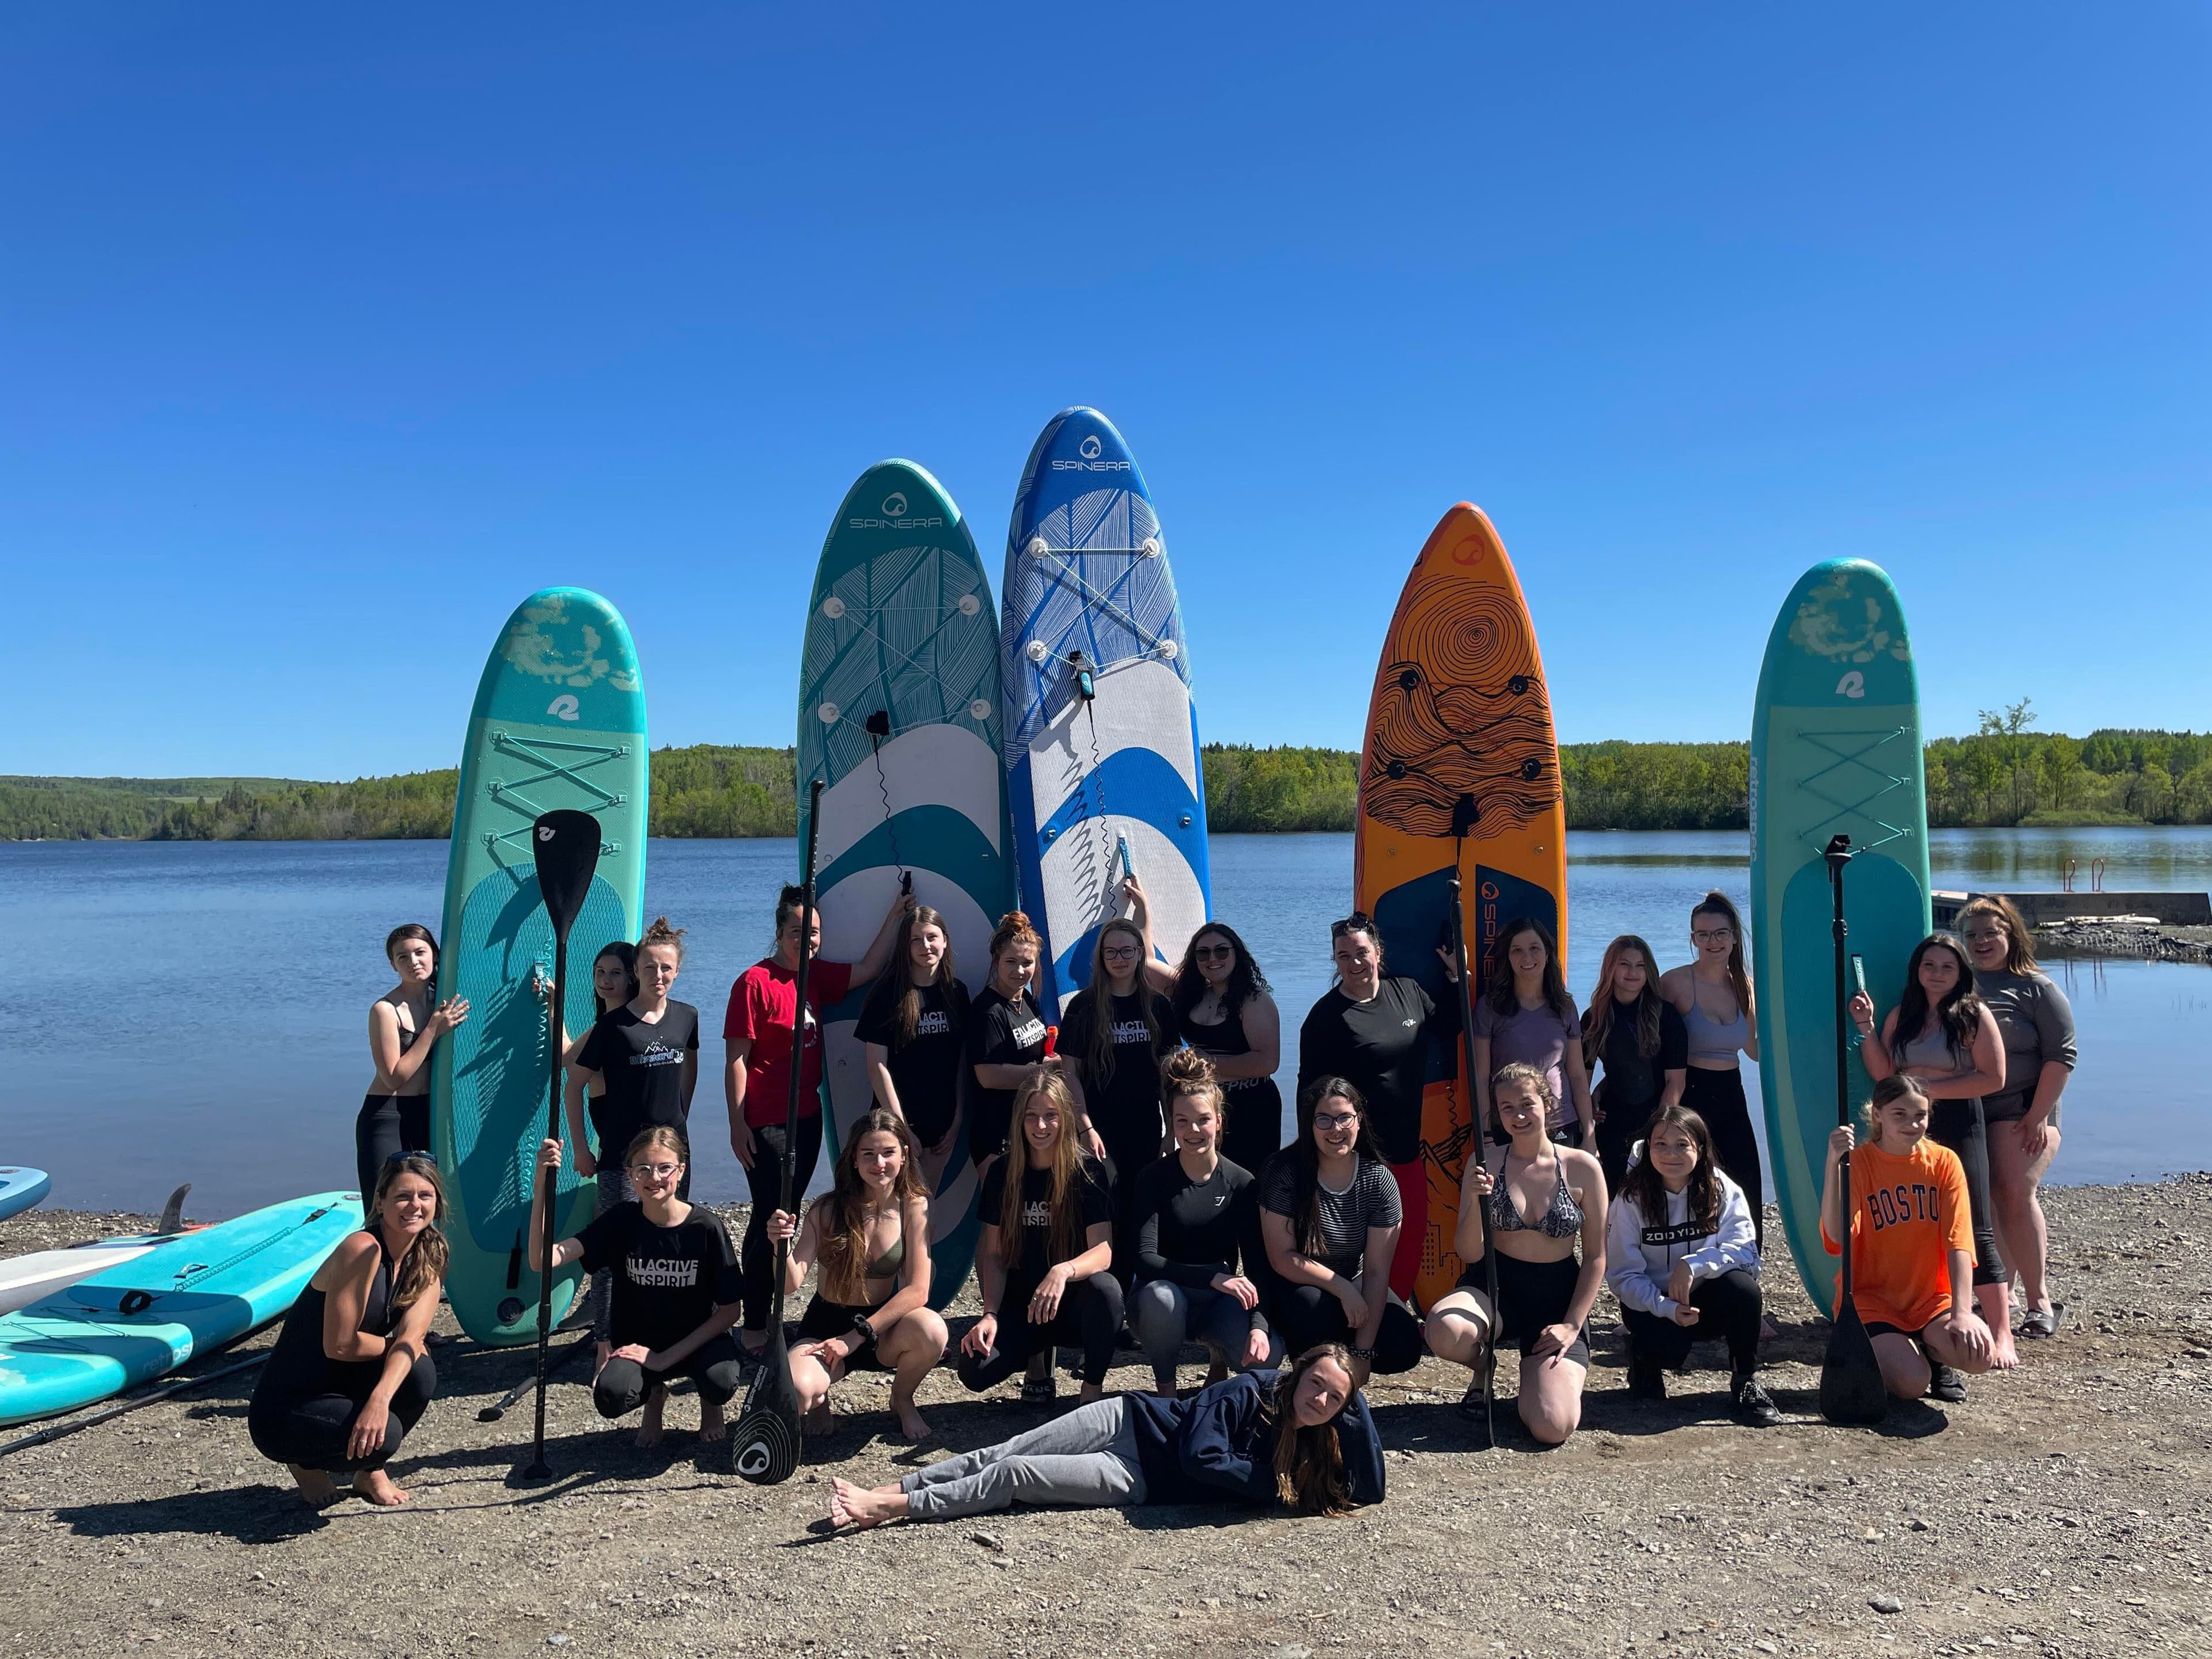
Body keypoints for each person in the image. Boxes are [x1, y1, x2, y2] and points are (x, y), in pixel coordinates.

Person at [827, 1343, 1383, 1528]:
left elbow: (1373, 1487)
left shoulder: (1323, 1434)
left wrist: (1354, 1402)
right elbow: (1199, 1455)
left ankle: (896, 1506)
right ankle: (905, 1487)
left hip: (1135, 1479)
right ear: (1298, 1374)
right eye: (1316, 1384)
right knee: (1006, 1450)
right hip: (1128, 1420)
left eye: (1334, 1399)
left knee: (1017, 1475)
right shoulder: (1247, 1393)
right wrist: (1270, 1487)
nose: (1319, 1400)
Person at [724, 884, 905, 1355]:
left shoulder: (816, 977)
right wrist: (737, 1124)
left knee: (789, 1210)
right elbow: (737, 1060)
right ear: (780, 932)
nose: (807, 941)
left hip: (807, 1115)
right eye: (797, 932)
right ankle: (756, 1325)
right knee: (770, 1217)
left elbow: (868, 967)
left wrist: (896, 913)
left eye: (815, 933)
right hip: (765, 1121)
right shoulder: (754, 982)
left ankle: (774, 1316)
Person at [1851, 930, 2017, 1374]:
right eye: (1930, 965)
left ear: (1961, 971)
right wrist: (1867, 1028)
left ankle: (2002, 1331)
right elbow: (1885, 1073)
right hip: (1907, 1125)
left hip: (1960, 1122)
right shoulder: (1902, 1015)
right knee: (1923, 1223)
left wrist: (1929, 1092)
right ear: (1917, 971)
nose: (1938, 973)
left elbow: (1993, 1077)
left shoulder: (1973, 1014)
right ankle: (1929, 1327)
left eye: (1947, 966)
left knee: (1974, 1226)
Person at [1423, 1064, 1607, 1444]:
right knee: (1443, 1330)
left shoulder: (1582, 1167)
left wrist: (1573, 1325)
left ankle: (1535, 1380)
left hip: (1556, 1297)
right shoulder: (1485, 1163)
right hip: (1495, 1286)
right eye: (1507, 1108)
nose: (1518, 1115)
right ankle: (1483, 1366)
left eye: (1527, 1104)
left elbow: (1595, 1258)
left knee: (1552, 1426)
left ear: (1548, 1103)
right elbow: (1469, 1251)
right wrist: (1474, 1200)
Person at [249, 1154, 445, 1508]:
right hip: (289, 1405)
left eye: (424, 1196)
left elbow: (413, 1338)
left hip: (343, 1388)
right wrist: (396, 1347)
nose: (414, 1205)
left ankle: (369, 1471)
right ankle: (305, 1464)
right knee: (389, 1431)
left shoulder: (430, 1253)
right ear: (381, 1201)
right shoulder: (362, 1249)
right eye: (403, 1196)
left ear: (437, 1202)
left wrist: (380, 1399)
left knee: (420, 1371)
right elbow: (340, 1345)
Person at [529, 1127, 745, 1446]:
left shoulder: (706, 1227)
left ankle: (710, 1405)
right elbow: (542, 1259)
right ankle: (655, 1396)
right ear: (629, 1175)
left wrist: (665, 1358)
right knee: (611, 1396)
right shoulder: (621, 1220)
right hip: (639, 1345)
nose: (653, 1177)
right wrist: (541, 1184)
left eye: (664, 1167)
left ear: (681, 1170)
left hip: (697, 1343)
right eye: (642, 1169)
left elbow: (730, 1312)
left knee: (721, 1381)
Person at [1294, 912, 1460, 1298]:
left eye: (1361, 952)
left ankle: (1394, 1314)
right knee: (1364, 1244)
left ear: (1378, 951)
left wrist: (1455, 977)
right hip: (1357, 1156)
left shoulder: (1408, 991)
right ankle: (1357, 1314)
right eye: (1343, 956)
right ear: (1335, 961)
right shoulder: (1325, 1018)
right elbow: (1309, 1093)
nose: (1354, 963)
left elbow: (1449, 1025)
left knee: (1410, 1235)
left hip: (1406, 1147)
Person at [765, 1108, 949, 1441]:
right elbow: (791, 1284)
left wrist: (855, 1337)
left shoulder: (914, 1206)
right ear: (853, 1160)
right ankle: (820, 1401)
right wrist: (780, 1245)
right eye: (868, 1154)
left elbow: (919, 1291)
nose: (879, 1163)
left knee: (933, 1330)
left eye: (888, 1153)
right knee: (797, 1393)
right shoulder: (826, 1209)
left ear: (904, 1156)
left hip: (880, 1325)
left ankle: (902, 1399)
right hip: (825, 1325)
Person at [1820, 1075, 1997, 1403]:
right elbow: (1835, 1237)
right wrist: (1834, 1165)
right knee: (1912, 1385)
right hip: (1872, 1301)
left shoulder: (1945, 1163)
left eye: (1920, 1115)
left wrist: (1962, 1312)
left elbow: (1959, 1242)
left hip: (1930, 1299)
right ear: (1877, 1114)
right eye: (1899, 1114)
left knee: (1979, 1355)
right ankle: (1900, 1356)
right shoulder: (1859, 1163)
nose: (1912, 1123)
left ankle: (1935, 1353)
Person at [1605, 1104, 1780, 1426]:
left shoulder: (1722, 1189)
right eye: (1661, 1144)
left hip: (1704, 1300)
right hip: (1651, 1304)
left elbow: (1747, 1254)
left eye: (1682, 1145)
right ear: (1648, 1149)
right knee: (1668, 1350)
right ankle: (1644, 1358)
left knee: (1745, 1291)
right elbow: (1621, 1275)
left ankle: (1746, 1380)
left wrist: (1695, 1265)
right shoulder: (1630, 1199)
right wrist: (1664, 1307)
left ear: (1700, 1149)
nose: (1671, 1153)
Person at [959, 1069, 1125, 1404]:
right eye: (1032, 1117)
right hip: (1023, 1303)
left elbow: (1103, 1252)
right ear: (1019, 1120)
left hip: (1070, 1302)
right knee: (973, 1369)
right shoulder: (1002, 1172)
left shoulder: (1088, 1171)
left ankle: (1091, 1388)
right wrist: (990, 1313)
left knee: (1107, 1292)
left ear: (1064, 1118)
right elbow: (993, 1252)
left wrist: (1062, 1271)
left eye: (1051, 1116)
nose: (1041, 1126)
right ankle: (1035, 1355)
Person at [1959, 895, 2076, 1339]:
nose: (1982, 942)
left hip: (2025, 1108)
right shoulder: (1958, 983)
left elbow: (2061, 1057)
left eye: (1992, 933)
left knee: (2013, 1190)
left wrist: (2038, 1116)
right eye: (1972, 936)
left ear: (2011, 935)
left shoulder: (2037, 988)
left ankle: (2040, 1301)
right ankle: (1999, 1296)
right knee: (1982, 1201)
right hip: (1968, 1110)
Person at [1255, 1077, 1425, 1380]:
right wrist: (1342, 1288)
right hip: (1297, 1285)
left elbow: (1376, 1271)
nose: (1336, 1129)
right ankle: (1310, 1374)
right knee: (1308, 1308)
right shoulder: (1283, 1172)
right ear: (1309, 1124)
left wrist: (1363, 1352)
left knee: (1404, 1341)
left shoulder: (1378, 1179)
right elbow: (1282, 1258)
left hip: (1356, 1281)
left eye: (1344, 1118)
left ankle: (1344, 1366)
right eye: (1324, 1120)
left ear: (1359, 1121)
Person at [1129, 1050, 1277, 1396]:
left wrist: (1258, 1326)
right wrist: (1215, 1277)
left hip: (1216, 1298)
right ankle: (1166, 1391)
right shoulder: (1153, 1179)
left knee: (1269, 1359)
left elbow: (1258, 1266)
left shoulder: (1241, 1182)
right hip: (1161, 1295)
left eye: (1203, 1120)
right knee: (1161, 1301)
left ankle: (1218, 1358)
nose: (1193, 1130)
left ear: (1219, 1121)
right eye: (1182, 1122)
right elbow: (1145, 1260)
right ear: (1172, 1123)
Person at [1054, 916, 1181, 1277]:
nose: (1120, 958)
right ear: (1101, 958)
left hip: (1144, 1127)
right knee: (1103, 1206)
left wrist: (1171, 1130)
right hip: (1098, 1128)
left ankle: (1136, 1291)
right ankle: (1104, 1290)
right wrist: (1084, 1127)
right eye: (1111, 952)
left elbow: (1168, 1077)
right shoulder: (1084, 1007)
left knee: (1140, 1206)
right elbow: (1070, 1074)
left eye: (1127, 950)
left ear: (1141, 953)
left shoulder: (1157, 1007)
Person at [1657, 892, 1766, 1253]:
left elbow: (1754, 1051)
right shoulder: (1674, 983)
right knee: (1694, 1184)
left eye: (1720, 934)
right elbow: (1644, 1043)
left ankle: (1748, 1261)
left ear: (1734, 936)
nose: (1712, 942)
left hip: (1732, 1093)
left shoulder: (1745, 985)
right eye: (1702, 935)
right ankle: (1687, 1263)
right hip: (1692, 1094)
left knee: (1746, 1179)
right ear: (1693, 939)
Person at [547, 940, 639, 1362]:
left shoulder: (622, 1021)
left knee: (616, 1234)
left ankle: (611, 1322)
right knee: (615, 1232)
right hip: (612, 1135)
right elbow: (570, 1059)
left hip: (628, 1142)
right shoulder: (607, 1020)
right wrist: (554, 1007)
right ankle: (607, 1322)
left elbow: (568, 1061)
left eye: (616, 973)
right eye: (600, 973)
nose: (606, 980)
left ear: (632, 976)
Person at [565, 918, 700, 1202]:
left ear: (678, 970)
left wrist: (681, 1112)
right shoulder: (613, 1026)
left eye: (666, 968)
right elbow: (574, 1085)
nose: (658, 975)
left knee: (670, 1231)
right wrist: (580, 1148)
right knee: (618, 1235)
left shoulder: (688, 1016)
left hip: (673, 1150)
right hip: (622, 1153)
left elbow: (689, 1064)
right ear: (637, 971)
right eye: (650, 967)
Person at [1154, 917, 1285, 1177]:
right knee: (1206, 1180)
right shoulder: (1191, 994)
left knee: (1249, 1185)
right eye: (1203, 953)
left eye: (1222, 951)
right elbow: (1146, 965)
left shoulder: (1253, 1000)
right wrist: (1144, 912)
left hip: (1252, 1107)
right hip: (1205, 1108)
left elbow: (1269, 1062)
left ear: (1237, 953)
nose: (1213, 958)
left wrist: (1205, 1064)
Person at [856, 902, 972, 1186]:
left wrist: (957, 1119)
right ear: (905, 947)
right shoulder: (887, 995)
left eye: (932, 937)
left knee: (925, 1208)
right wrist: (903, 1128)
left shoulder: (957, 993)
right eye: (916, 940)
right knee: (892, 1213)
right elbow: (876, 1067)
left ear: (945, 940)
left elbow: (961, 1060)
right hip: (895, 1127)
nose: (926, 946)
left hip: (941, 1126)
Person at [357, 924, 468, 1202]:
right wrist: (432, 1030)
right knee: (385, 1205)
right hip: (387, 1116)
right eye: (402, 957)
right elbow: (394, 1077)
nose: (413, 962)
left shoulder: (443, 1001)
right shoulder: (385, 1010)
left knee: (426, 1204)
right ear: (393, 965)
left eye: (420, 952)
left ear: (435, 955)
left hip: (429, 1112)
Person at [1472, 917, 1595, 1149]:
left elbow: (1577, 1075)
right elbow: (1480, 1077)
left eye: (1534, 949)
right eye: (1517, 950)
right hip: (1510, 1124)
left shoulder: (1564, 1007)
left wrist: (1589, 1134)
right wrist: (1486, 1132)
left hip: (1561, 1123)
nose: (1526, 958)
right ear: (1507, 958)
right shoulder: (1490, 1008)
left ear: (1547, 955)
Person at [1582, 934, 1688, 1193]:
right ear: (1611, 969)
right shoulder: (1594, 1018)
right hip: (1611, 1120)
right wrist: (1588, 1124)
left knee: (1650, 1198)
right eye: (1624, 964)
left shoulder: (1665, 1016)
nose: (1633, 972)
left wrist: (1660, 1131)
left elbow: (1676, 1082)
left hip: (1653, 1116)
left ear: (1648, 971)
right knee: (1613, 1200)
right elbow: (1580, 1078)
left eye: (1640, 966)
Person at [966, 910, 1052, 1171]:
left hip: (1031, 1130)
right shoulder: (986, 1010)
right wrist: (1045, 1072)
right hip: (997, 1135)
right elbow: (988, 1075)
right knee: (1004, 1211)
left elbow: (1034, 1054)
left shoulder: (1027, 1000)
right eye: (1011, 962)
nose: (1019, 970)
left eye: (1027, 963)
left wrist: (1049, 1059)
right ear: (996, 962)